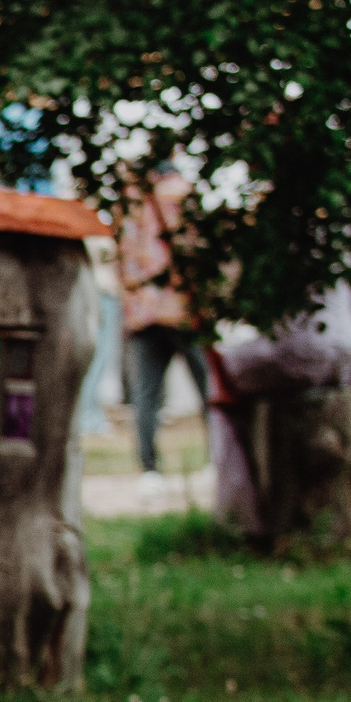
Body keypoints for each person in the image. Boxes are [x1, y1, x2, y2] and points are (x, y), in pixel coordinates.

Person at [117, 169, 210, 491]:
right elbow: (197, 247)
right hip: (183, 307)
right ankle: (218, 456)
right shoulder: (182, 192)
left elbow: (123, 256)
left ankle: (149, 469)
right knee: (207, 386)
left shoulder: (130, 200)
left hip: (142, 310)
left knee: (146, 394)